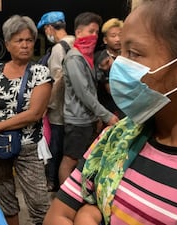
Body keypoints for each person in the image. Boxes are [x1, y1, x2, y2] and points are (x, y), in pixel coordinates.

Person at [44, 0, 177, 224]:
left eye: (134, 53)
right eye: (121, 52)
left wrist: (87, 213)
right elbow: (57, 215)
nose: (119, 64)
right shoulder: (115, 139)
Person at [0, 15, 52, 225]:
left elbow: (35, 113)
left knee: (39, 204)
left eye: (29, 40)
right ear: (8, 44)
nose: (25, 45)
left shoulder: (40, 72)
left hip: (28, 146)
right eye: (19, 40)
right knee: (5, 200)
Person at [59, 12, 118, 185]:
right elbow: (84, 93)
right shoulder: (74, 58)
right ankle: (63, 199)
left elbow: (90, 86)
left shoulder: (86, 57)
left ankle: (74, 195)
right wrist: (106, 115)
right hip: (77, 120)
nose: (94, 36)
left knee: (80, 161)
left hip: (86, 118)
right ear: (78, 33)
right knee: (70, 160)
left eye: (96, 32)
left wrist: (101, 69)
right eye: (90, 31)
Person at [36, 11, 75, 192]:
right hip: (74, 109)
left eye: (45, 30)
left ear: (49, 28)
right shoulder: (75, 42)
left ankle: (53, 181)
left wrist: (47, 105)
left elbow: (57, 79)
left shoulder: (59, 48)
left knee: (55, 147)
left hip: (59, 109)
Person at [94, 18, 125, 120]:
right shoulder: (100, 58)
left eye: (120, 35)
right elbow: (110, 90)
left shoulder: (129, 57)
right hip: (107, 110)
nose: (118, 39)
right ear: (105, 40)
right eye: (113, 36)